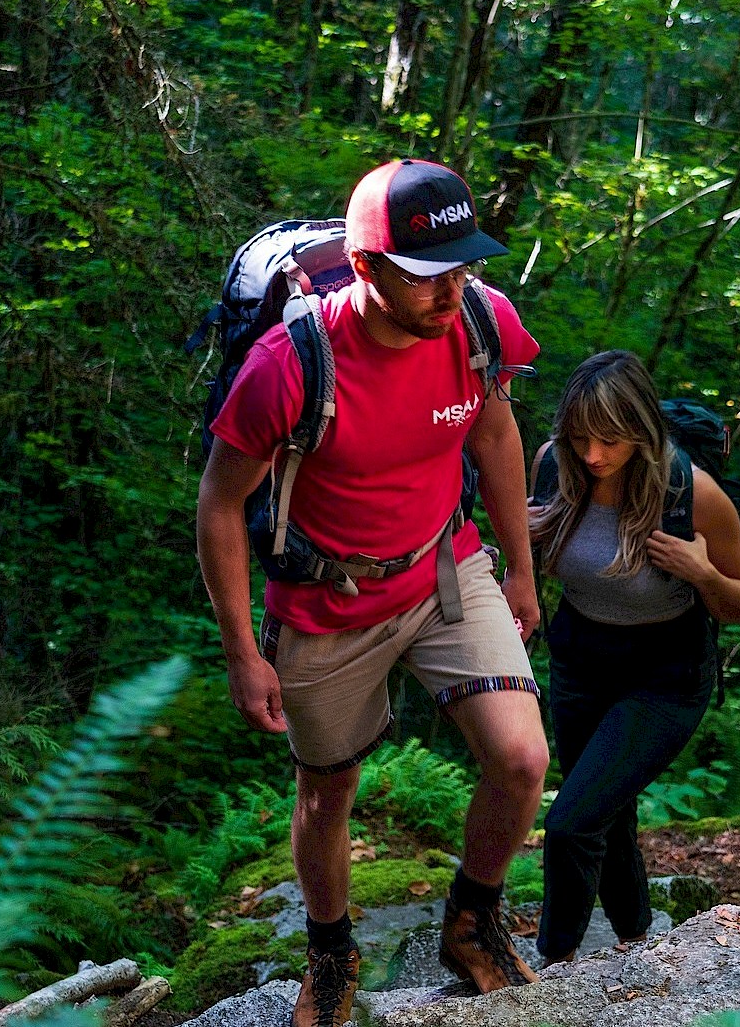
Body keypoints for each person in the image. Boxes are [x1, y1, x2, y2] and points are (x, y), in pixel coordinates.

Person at [196, 159, 547, 1027]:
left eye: (464, 266)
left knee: (521, 759)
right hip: (324, 598)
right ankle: (330, 956)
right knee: (329, 791)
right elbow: (218, 505)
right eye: (431, 277)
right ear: (365, 269)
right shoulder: (291, 364)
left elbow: (496, 431)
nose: (453, 290)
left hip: (442, 569)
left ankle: (472, 923)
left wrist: (520, 563)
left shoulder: (478, 323)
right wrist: (242, 652)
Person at [527, 351, 740, 963]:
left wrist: (703, 573)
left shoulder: (692, 491)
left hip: (665, 674)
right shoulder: (554, 466)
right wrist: (527, 540)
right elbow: (533, 553)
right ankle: (634, 942)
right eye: (580, 438)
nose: (593, 455)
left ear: (642, 432)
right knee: (606, 808)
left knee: (571, 821)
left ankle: (552, 964)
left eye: (609, 439)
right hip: (580, 660)